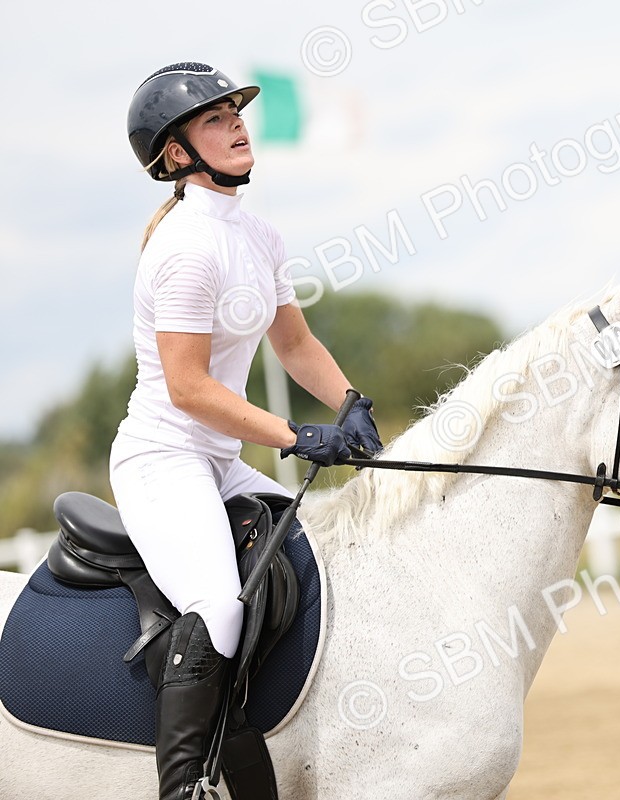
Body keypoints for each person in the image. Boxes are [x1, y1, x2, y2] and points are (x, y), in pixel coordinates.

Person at [115, 62, 383, 800]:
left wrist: (351, 402)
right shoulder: (183, 249)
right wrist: (296, 437)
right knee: (218, 605)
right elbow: (188, 386)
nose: (236, 124)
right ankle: (183, 787)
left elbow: (293, 345)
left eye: (235, 112)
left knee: (320, 560)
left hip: (218, 459)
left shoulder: (258, 235)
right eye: (214, 119)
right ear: (176, 153)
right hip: (163, 459)